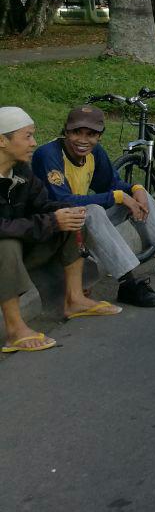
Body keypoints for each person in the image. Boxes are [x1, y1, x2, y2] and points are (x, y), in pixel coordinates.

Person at [31, 105, 155, 308]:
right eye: (76, 133)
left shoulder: (94, 153)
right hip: (54, 228)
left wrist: (136, 189)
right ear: (66, 132)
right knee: (94, 211)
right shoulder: (48, 155)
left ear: (99, 136)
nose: (82, 140)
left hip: (78, 222)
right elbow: (62, 201)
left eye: (91, 134)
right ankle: (127, 283)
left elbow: (112, 184)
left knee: (137, 195)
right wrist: (118, 196)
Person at [0, 108, 112, 355]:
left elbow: (42, 204)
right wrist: (51, 221)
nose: (34, 143)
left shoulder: (21, 171)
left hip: (20, 253)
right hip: (5, 253)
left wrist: (65, 211)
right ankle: (15, 330)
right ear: (2, 140)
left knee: (69, 217)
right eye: (27, 136)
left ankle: (75, 300)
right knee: (5, 244)